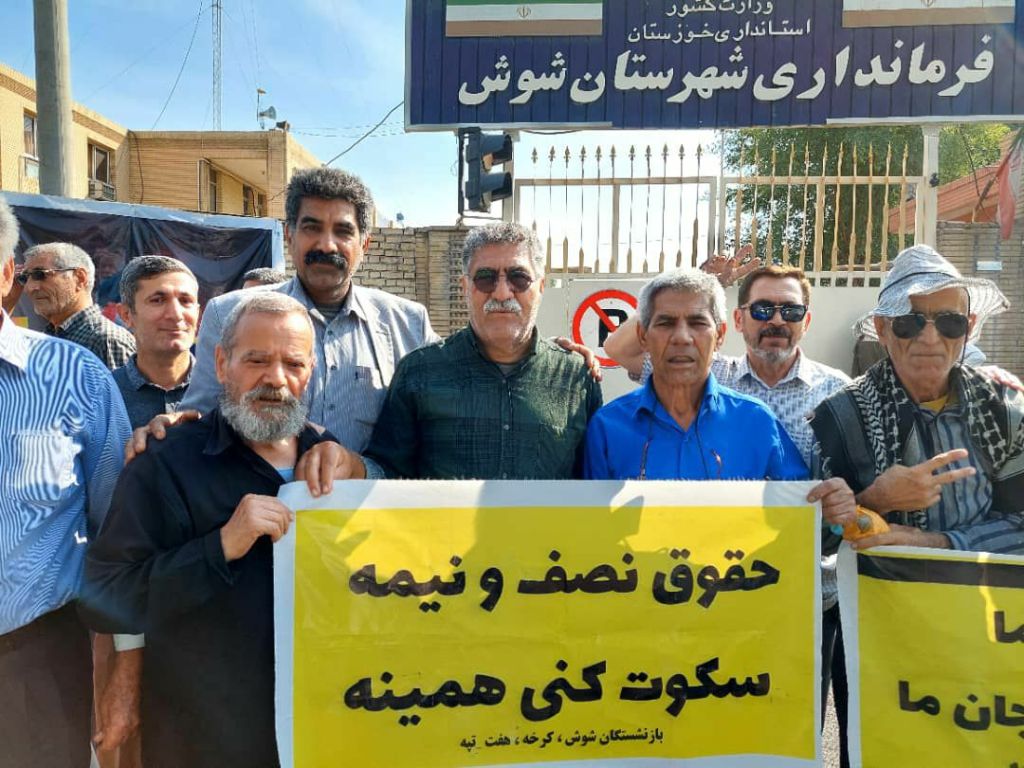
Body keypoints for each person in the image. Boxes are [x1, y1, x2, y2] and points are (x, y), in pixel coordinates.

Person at [84, 292, 344, 768]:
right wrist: (220, 547)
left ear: (311, 371)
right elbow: (106, 595)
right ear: (222, 364)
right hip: (204, 736)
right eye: (257, 360)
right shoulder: (166, 462)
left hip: (320, 732)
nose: (275, 378)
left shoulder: (332, 462)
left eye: (293, 363)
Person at [129, 167, 437, 458]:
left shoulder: (408, 325)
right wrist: (174, 431)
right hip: (251, 495)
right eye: (312, 227)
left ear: (365, 244)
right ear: (289, 234)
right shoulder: (229, 314)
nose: (327, 245)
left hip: (363, 495)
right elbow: (203, 417)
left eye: (343, 231)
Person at [0, 196, 132, 768]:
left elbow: (115, 528)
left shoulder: (76, 377)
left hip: (33, 666)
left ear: (6, 274)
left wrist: (123, 667)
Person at [312, 222, 602, 481]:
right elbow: (389, 473)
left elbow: (596, 482)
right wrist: (351, 466)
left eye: (518, 278)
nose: (502, 293)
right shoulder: (419, 372)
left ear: (541, 287)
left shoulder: (576, 378)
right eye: (486, 278)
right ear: (465, 286)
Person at [583, 268, 855, 511]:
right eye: (665, 323)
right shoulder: (608, 428)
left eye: (697, 323)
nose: (682, 337)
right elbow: (585, 522)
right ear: (643, 336)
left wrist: (834, 506)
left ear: (720, 335)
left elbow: (800, 511)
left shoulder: (759, 420)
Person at [813, 244, 1024, 553]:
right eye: (909, 322)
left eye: (950, 322)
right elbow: (813, 536)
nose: (929, 338)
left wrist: (935, 543)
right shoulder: (839, 417)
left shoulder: (1003, 407)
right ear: (882, 329)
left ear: (969, 327)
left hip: (984, 585)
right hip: (878, 585)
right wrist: (875, 500)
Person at [113, 256, 200, 428]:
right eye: (158, 300)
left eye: (185, 301)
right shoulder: (102, 396)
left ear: (198, 313)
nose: (176, 315)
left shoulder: (225, 392)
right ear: (126, 315)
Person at [18, 241, 136, 369]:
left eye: (40, 275)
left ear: (80, 278)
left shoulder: (107, 340)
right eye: (24, 278)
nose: (29, 288)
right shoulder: (48, 336)